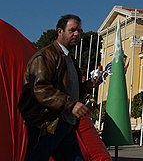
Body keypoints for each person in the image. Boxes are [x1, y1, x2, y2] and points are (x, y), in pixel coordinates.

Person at [19, 14, 99, 161]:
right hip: (46, 125)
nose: (77, 34)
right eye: (72, 30)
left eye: (79, 31)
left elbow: (70, 89)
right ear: (60, 31)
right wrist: (71, 104)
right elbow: (40, 89)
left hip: (65, 124)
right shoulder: (45, 56)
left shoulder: (69, 59)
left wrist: (89, 85)